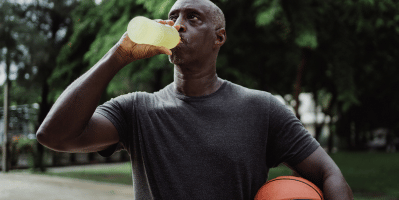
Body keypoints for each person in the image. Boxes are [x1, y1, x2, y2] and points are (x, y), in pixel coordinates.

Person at [36, 0, 353, 199]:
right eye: (173, 17)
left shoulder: (262, 108)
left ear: (219, 37)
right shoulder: (135, 110)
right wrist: (117, 56)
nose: (178, 25)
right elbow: (54, 135)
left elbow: (329, 174)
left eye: (193, 17)